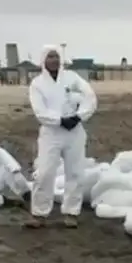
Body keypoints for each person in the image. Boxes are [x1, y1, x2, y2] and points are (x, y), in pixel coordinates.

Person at [26, 44, 98, 228]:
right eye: (49, 57)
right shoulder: (37, 84)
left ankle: (71, 212)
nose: (53, 60)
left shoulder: (72, 78)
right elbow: (39, 111)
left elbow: (90, 96)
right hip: (51, 133)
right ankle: (39, 213)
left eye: (56, 56)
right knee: (44, 172)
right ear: (43, 60)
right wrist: (59, 120)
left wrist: (79, 116)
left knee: (74, 172)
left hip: (74, 132)